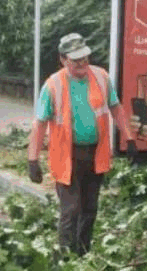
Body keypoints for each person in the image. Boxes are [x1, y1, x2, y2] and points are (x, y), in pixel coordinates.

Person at [27, 33, 135, 256]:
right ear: (63, 59)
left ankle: (83, 254)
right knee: (71, 209)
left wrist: (129, 137)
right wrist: (32, 159)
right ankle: (66, 258)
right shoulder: (53, 85)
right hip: (66, 156)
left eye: (85, 58)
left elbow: (116, 107)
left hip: (95, 154)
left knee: (90, 208)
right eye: (76, 60)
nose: (82, 64)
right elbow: (39, 124)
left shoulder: (101, 77)